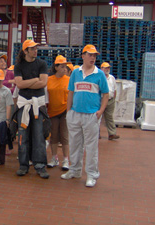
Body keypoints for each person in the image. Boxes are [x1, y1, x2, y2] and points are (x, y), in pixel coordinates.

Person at [61, 44, 109, 187]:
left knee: (91, 146)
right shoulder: (76, 73)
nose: (93, 58)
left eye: (94, 56)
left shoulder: (99, 74)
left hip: (91, 115)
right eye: (90, 55)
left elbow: (105, 95)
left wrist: (100, 112)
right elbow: (71, 92)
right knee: (75, 144)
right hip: (75, 114)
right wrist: (69, 111)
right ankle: (74, 170)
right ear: (83, 56)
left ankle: (91, 175)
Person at [14, 39, 50, 179]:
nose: (35, 50)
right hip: (23, 105)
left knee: (39, 135)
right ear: (26, 51)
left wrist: (26, 83)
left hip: (38, 105)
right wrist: (35, 80)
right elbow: (19, 85)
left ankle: (40, 165)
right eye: (32, 48)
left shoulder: (42, 64)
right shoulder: (18, 66)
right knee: (22, 135)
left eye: (36, 48)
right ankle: (23, 164)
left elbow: (43, 83)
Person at [46, 55, 70, 171]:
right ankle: (54, 157)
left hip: (65, 111)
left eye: (65, 66)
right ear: (56, 67)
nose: (64, 69)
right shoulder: (49, 80)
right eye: (61, 66)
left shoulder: (69, 80)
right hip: (52, 112)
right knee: (54, 136)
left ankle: (66, 159)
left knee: (64, 136)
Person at [100, 62, 120, 140]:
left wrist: (113, 98)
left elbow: (114, 89)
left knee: (110, 117)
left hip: (110, 100)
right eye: (105, 68)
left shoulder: (112, 77)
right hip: (101, 100)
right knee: (97, 117)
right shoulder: (99, 77)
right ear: (101, 68)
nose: (107, 69)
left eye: (108, 68)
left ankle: (112, 134)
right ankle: (96, 134)